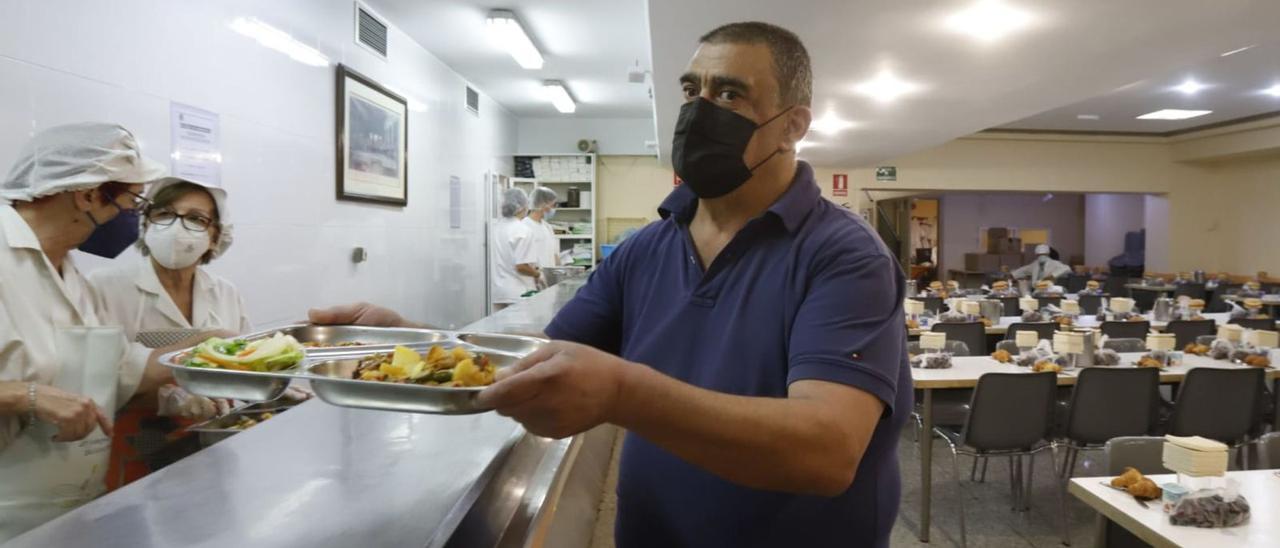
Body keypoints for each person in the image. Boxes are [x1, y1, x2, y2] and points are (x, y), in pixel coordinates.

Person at [313, 21, 908, 547]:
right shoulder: (647, 249)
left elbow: (826, 453)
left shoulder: (844, 255)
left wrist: (623, 393)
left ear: (792, 126)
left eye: (729, 93)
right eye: (690, 90)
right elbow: (533, 365)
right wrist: (412, 345)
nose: (700, 110)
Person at [0, 123, 203, 541]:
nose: (133, 217)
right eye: (133, 201)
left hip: (67, 507)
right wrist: (26, 395)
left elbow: (118, 370)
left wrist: (210, 350)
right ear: (89, 193)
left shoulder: (71, 275)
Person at [89, 179, 248, 342]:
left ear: (215, 238)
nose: (176, 228)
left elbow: (246, 357)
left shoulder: (226, 294)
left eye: (196, 218)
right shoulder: (102, 286)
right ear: (145, 226)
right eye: (164, 214)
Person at [490, 188, 540, 308]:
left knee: (500, 326)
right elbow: (521, 267)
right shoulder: (523, 230)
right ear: (522, 207)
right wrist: (537, 274)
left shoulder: (496, 228)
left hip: (498, 292)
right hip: (519, 292)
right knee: (521, 327)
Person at [523, 186, 559, 271]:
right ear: (543, 204)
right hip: (534, 278)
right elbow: (523, 260)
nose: (554, 209)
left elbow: (554, 255)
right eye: (553, 205)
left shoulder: (547, 227)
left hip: (549, 277)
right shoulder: (524, 226)